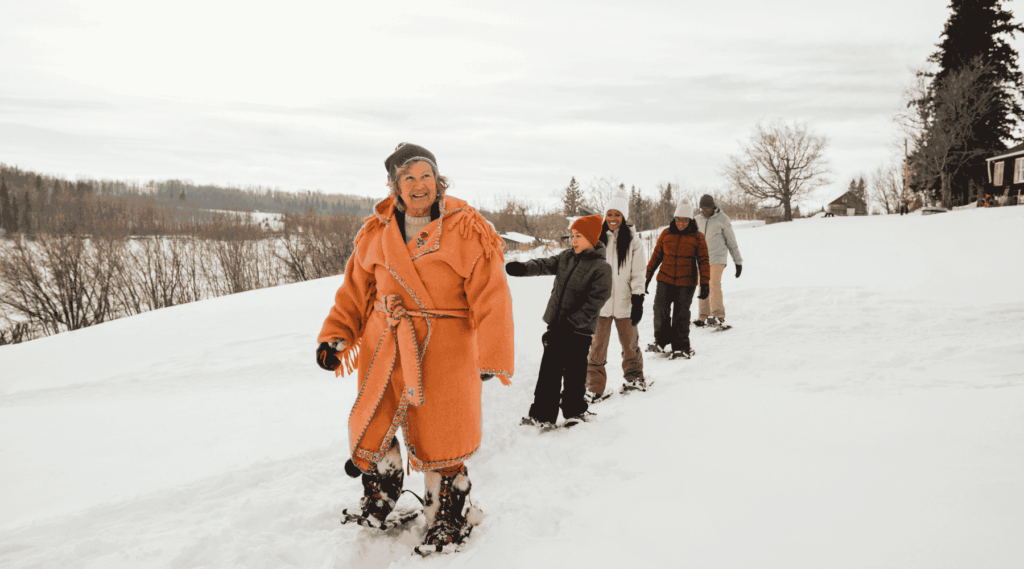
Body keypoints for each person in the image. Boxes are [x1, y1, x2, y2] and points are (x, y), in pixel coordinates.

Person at [315, 142, 514, 552]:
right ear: (394, 186)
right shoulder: (376, 232)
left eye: (426, 176)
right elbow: (355, 291)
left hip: (444, 347)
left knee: (442, 432)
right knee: (374, 420)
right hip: (385, 342)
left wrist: (491, 354)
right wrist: (337, 336)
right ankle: (381, 492)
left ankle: (449, 513)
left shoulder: (466, 227)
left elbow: (492, 293)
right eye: (409, 178)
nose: (419, 185)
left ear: (439, 182)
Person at [505, 215, 611, 429]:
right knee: (549, 371)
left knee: (574, 373)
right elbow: (544, 264)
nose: (573, 240)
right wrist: (524, 269)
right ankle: (542, 414)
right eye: (572, 236)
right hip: (556, 326)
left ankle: (575, 411)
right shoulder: (566, 257)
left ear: (591, 238)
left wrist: (574, 322)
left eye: (578, 236)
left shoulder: (601, 268)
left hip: (578, 331)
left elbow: (596, 301)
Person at [585, 189, 648, 398]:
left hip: (625, 303)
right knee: (596, 348)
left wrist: (638, 299)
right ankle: (594, 388)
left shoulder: (633, 241)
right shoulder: (596, 240)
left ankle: (635, 378)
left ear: (624, 217)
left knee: (630, 346)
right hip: (600, 305)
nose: (613, 219)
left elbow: (638, 273)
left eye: (617, 215)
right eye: (610, 214)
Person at [645, 201, 709, 359]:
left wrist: (705, 283)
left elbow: (703, 261)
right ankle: (661, 341)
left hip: (686, 282)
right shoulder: (666, 234)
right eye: (678, 219)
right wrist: (646, 278)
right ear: (674, 219)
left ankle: (681, 346)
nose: (681, 223)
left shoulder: (698, 237)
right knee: (660, 309)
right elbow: (655, 257)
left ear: (691, 221)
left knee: (681, 314)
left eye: (685, 220)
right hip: (665, 279)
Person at [693, 194, 743, 328]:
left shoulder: (722, 219)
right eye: (703, 208)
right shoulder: (697, 220)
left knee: (713, 283)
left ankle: (718, 315)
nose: (705, 211)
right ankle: (703, 316)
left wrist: (738, 262)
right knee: (703, 286)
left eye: (708, 208)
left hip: (717, 258)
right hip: (702, 260)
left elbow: (731, 242)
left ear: (713, 206)